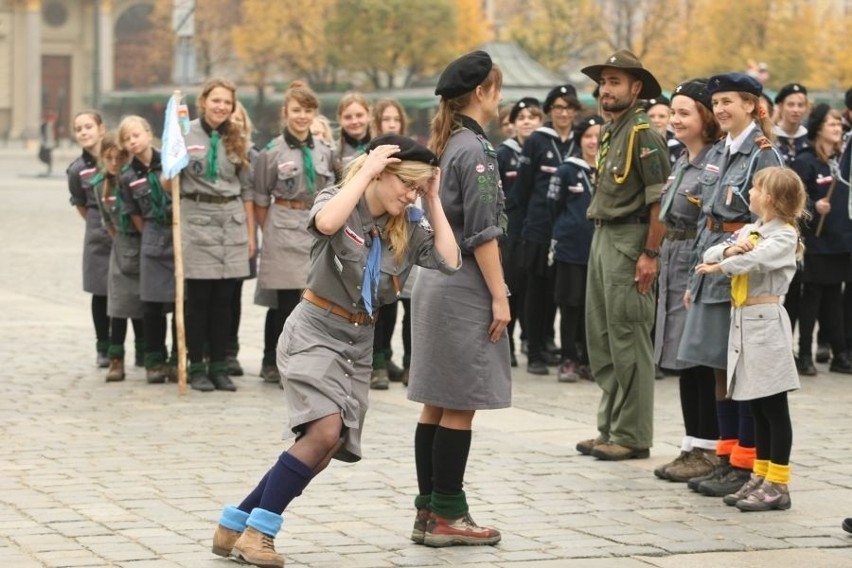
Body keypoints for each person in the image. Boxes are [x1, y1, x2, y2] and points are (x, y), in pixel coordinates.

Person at [210, 135, 459, 567]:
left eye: (418, 188)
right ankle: (258, 535)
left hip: (357, 345)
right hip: (314, 331)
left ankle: (235, 523)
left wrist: (433, 200)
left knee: (323, 448)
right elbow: (326, 224)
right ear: (380, 172)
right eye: (408, 184)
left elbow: (450, 259)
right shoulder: (338, 199)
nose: (411, 194)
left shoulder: (407, 226)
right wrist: (364, 170)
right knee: (322, 432)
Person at [407, 49, 508, 548]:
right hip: (462, 283)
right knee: (460, 403)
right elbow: (484, 233)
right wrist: (500, 296)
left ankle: (428, 510)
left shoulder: (446, 144)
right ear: (483, 92)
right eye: (498, 88)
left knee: (435, 403)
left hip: (432, 282)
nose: (501, 97)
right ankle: (449, 512)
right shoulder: (478, 151)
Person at [679, 73, 785, 498]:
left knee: (739, 372)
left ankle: (745, 462)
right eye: (717, 102)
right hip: (712, 265)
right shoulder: (720, 150)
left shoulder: (763, 155)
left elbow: (769, 223)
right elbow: (708, 219)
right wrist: (694, 278)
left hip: (738, 272)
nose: (720, 109)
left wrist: (731, 263)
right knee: (716, 367)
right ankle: (726, 457)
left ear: (751, 105)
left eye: (728, 102)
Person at [575, 49, 671, 461]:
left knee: (629, 336)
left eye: (615, 82)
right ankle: (610, 426)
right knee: (602, 338)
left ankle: (632, 434)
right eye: (603, 82)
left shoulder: (644, 133)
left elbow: (659, 203)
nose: (605, 90)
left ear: (636, 88)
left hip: (631, 240)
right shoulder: (614, 129)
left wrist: (650, 252)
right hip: (604, 237)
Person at [695, 166, 806, 511]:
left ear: (771, 198)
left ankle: (779, 482)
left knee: (773, 405)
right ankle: (760, 474)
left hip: (766, 321)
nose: (751, 194)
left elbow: (755, 261)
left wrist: (727, 262)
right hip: (742, 319)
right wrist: (728, 253)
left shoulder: (784, 236)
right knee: (754, 404)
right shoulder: (751, 229)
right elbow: (712, 251)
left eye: (757, 189)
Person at [652, 80, 721, 482]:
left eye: (684, 113)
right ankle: (691, 442)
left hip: (696, 259)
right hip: (674, 257)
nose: (675, 120)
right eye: (673, 112)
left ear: (705, 118)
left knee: (697, 356)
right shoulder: (683, 158)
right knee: (681, 355)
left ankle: (708, 447)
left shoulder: (714, 161)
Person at [175, 78, 255, 392]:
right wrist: (170, 165)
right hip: (197, 219)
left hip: (231, 221)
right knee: (199, 300)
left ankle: (219, 366)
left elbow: (247, 189)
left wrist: (250, 234)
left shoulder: (239, 138)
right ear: (203, 101)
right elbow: (172, 184)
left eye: (227, 102)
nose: (221, 107)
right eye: (216, 100)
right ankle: (197, 367)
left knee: (225, 300)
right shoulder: (184, 134)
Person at [254, 80, 336, 387]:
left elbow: (335, 190)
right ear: (285, 112)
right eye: (297, 110)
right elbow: (261, 197)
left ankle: (306, 359)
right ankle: (273, 361)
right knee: (286, 301)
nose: (302, 116)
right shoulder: (272, 152)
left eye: (308, 111)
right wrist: (270, 230)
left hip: (317, 226)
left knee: (313, 298)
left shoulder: (326, 151)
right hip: (284, 224)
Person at [517, 84, 582, 375]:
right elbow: (524, 186)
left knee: (560, 290)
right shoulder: (537, 141)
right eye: (558, 108)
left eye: (568, 108)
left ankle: (549, 341)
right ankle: (534, 351)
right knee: (536, 289)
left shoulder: (580, 141)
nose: (563, 113)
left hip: (568, 230)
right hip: (540, 226)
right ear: (550, 111)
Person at [791, 104, 852, 374]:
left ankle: (839, 353)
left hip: (839, 239)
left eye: (839, 124)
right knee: (812, 297)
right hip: (815, 241)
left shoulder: (840, 161)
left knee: (834, 298)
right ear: (818, 128)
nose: (838, 128)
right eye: (832, 124)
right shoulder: (806, 161)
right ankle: (804, 353)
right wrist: (815, 205)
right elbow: (795, 200)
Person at [119, 115, 176, 384]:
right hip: (152, 234)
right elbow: (133, 213)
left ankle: (178, 358)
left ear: (148, 133)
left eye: (136, 135)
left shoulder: (170, 161)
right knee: (152, 303)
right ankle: (155, 359)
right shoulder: (128, 176)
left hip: (177, 231)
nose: (133, 141)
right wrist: (151, 233)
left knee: (180, 301)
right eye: (127, 139)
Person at [546, 114, 601, 382]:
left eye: (599, 137)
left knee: (593, 306)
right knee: (570, 303)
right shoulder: (567, 169)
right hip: (571, 249)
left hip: (600, 250)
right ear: (580, 139)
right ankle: (568, 358)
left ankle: (588, 358)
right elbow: (553, 207)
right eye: (588, 136)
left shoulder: (612, 168)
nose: (594, 142)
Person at [93, 132, 144, 382]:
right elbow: (106, 221)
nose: (114, 163)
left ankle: (147, 353)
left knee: (146, 304)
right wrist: (120, 239)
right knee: (119, 306)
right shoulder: (100, 185)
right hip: (122, 247)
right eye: (109, 158)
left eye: (119, 158)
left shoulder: (135, 179)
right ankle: (116, 359)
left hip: (144, 244)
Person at [497, 97, 543, 366]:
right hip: (512, 228)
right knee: (512, 287)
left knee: (535, 292)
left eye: (533, 116)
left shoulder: (545, 150)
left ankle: (535, 345)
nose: (527, 121)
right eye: (521, 117)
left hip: (537, 228)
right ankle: (509, 345)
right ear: (512, 124)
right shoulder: (504, 154)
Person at [368, 98, 410, 388]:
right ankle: (375, 361)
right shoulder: (371, 155)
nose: (392, 124)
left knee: (393, 296)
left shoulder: (410, 154)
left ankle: (386, 354)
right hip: (373, 234)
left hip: (397, 232)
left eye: (396, 119)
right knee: (374, 298)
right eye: (387, 120)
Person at [67, 110, 110, 368]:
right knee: (100, 291)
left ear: (101, 129)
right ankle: (103, 346)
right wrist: (97, 221)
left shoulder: (118, 157)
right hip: (97, 229)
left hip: (125, 227)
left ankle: (138, 348)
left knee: (130, 290)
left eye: (88, 126)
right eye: (78, 128)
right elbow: (80, 203)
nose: (84, 132)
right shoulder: (77, 169)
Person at [225, 100, 260, 378]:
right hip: (212, 228)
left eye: (238, 117)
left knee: (232, 294)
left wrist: (251, 236)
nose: (234, 121)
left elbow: (252, 197)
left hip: (237, 227)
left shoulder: (250, 154)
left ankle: (229, 349)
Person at [773, 83, 810, 165]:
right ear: (780, 106)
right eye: (790, 105)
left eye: (800, 105)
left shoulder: (810, 138)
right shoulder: (771, 137)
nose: (796, 110)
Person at [334, 93, 371, 176]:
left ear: (369, 116)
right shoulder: (333, 152)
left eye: (359, 115)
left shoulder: (381, 147)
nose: (354, 121)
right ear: (340, 119)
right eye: (348, 117)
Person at [644, 96, 684, 166]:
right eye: (651, 116)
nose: (656, 120)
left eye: (662, 116)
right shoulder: (635, 143)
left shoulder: (678, 148)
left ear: (669, 119)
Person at [39, 111, 57, 176]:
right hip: (45, 143)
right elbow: (43, 135)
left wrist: (52, 143)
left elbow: (50, 135)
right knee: (42, 155)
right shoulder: (44, 125)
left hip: (48, 144)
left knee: (48, 156)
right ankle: (49, 166)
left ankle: (49, 168)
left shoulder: (48, 125)